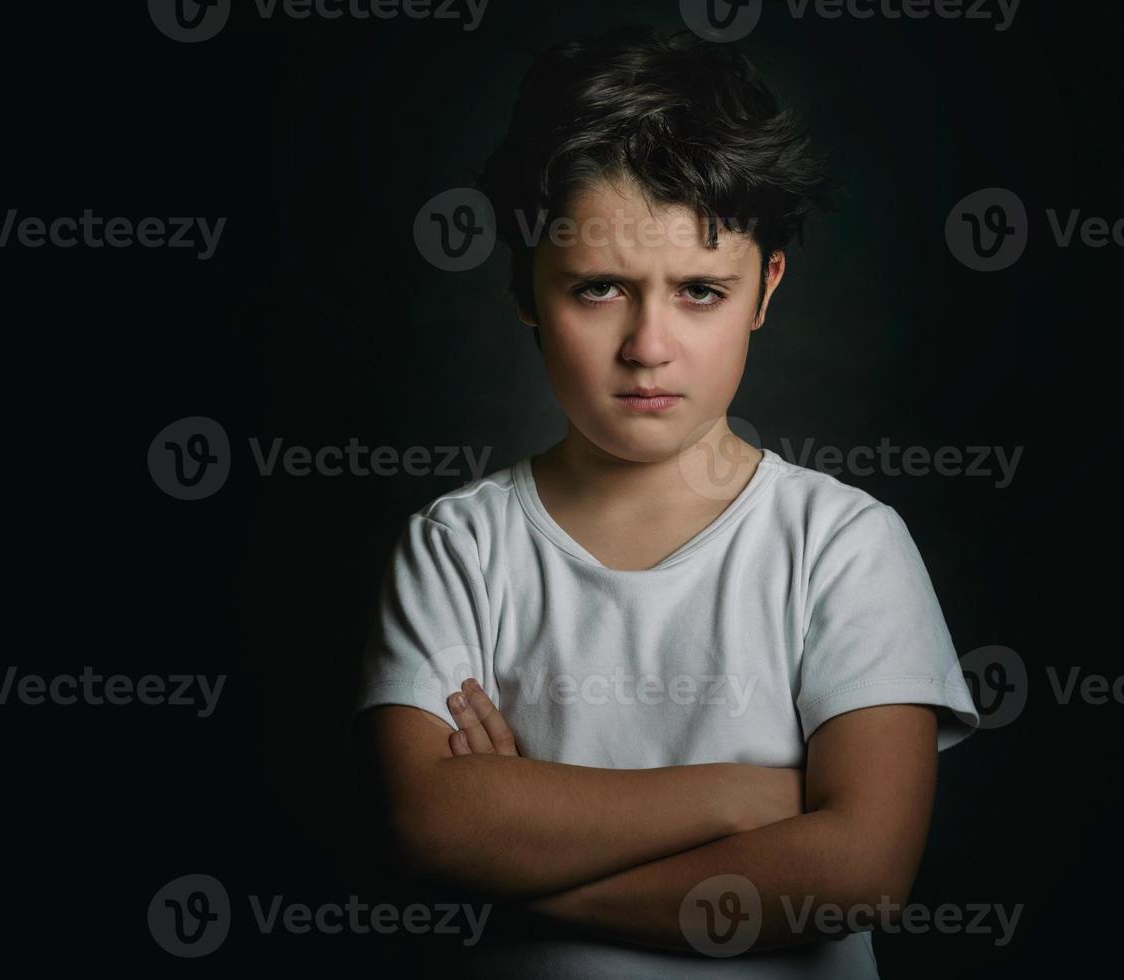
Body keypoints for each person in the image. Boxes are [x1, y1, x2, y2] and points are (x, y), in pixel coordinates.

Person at [352, 25, 979, 978]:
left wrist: (535, 862)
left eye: (699, 291)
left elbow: (859, 869)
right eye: (599, 287)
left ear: (764, 289)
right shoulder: (460, 547)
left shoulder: (845, 544)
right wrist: (745, 796)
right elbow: (431, 825)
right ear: (525, 284)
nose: (648, 344)